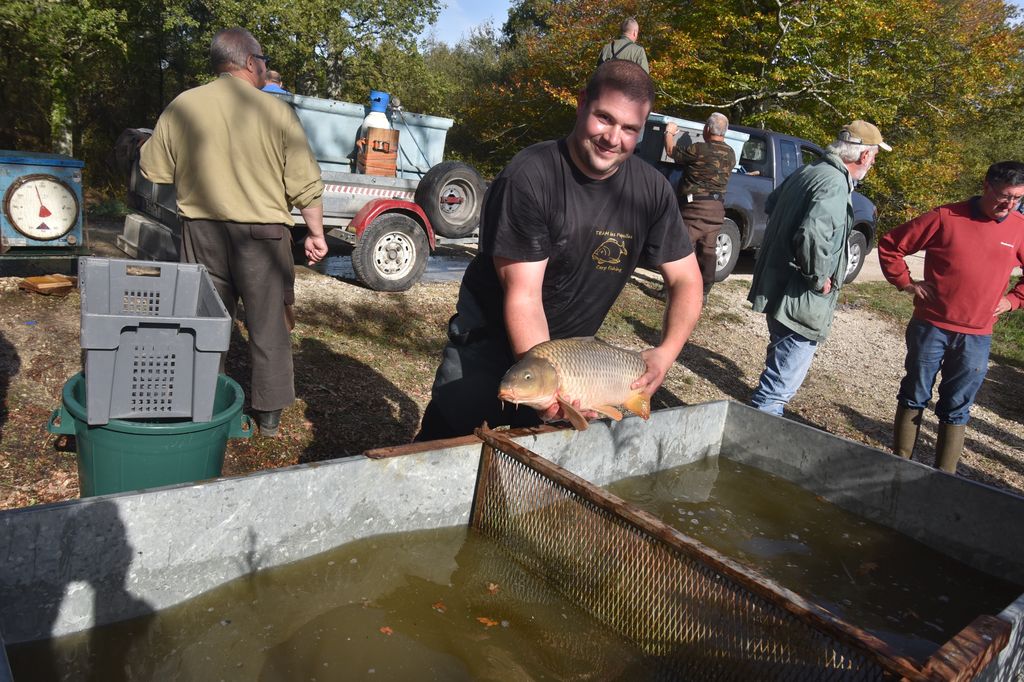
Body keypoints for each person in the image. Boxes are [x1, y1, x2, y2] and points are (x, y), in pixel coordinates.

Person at [416, 60, 703, 441]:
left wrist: (665, 353)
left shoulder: (651, 192)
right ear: (582, 103)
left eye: (629, 129)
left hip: (575, 362)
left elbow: (687, 280)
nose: (613, 138)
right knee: (446, 446)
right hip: (489, 343)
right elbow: (524, 296)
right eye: (604, 118)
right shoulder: (530, 177)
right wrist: (547, 382)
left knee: (537, 457)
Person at [139, 27, 328, 437]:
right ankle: (269, 416)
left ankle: (203, 401)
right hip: (265, 238)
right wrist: (316, 233)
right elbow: (304, 183)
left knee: (204, 321)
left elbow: (153, 170)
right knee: (269, 324)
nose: (265, 66)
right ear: (250, 62)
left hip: (201, 233)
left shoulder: (182, 106)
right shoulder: (277, 112)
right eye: (263, 60)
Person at [878, 161, 1024, 473]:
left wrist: (1013, 300)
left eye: (1017, 198)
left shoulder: (1019, 227)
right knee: (914, 393)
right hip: (930, 326)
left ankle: (945, 479)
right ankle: (899, 467)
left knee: (957, 407)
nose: (1009, 204)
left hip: (977, 335)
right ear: (986, 186)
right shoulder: (946, 216)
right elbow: (891, 245)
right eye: (1004, 196)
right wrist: (906, 283)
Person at [747, 120, 890, 416]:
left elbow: (772, 204)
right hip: (799, 294)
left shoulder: (810, 170)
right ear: (864, 155)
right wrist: (819, 277)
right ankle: (758, 428)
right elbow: (814, 233)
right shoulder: (835, 183)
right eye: (875, 156)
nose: (873, 162)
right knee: (779, 384)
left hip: (780, 283)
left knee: (780, 359)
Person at [663, 113, 736, 303]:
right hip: (717, 209)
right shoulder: (731, 153)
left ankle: (672, 290)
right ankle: (704, 290)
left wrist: (669, 132)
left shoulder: (698, 149)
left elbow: (671, 151)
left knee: (682, 246)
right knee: (708, 249)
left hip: (695, 207)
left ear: (707, 129)